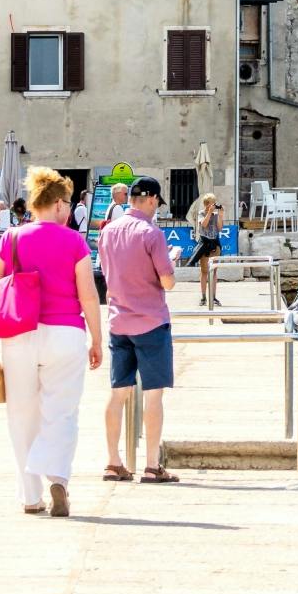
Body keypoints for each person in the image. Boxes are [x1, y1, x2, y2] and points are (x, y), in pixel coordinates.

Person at [0, 166, 102, 517]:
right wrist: (97, 338)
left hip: (19, 333)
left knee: (21, 413)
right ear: (59, 205)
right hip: (66, 334)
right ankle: (58, 479)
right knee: (62, 413)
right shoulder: (74, 241)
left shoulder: (11, 238)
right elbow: (89, 296)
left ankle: (30, 497)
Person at [98, 176, 178, 484]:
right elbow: (167, 281)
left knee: (118, 393)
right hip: (151, 322)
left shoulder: (108, 232)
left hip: (119, 321)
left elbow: (107, 273)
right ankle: (151, 465)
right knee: (153, 395)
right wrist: (171, 259)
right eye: (157, 201)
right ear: (152, 199)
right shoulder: (151, 233)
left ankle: (113, 461)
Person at [185, 194, 224, 312]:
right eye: (211, 203)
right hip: (204, 245)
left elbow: (220, 228)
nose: (213, 205)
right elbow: (204, 224)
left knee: (214, 271)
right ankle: (203, 296)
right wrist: (209, 213)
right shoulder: (201, 213)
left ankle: (213, 296)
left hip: (215, 245)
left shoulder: (216, 214)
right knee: (204, 271)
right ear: (206, 204)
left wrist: (220, 215)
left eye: (214, 203)